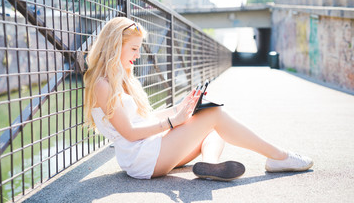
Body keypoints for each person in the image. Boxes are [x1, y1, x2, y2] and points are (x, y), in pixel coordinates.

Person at [83, 17, 313, 181]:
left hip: (149, 151)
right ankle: (279, 156)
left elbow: (143, 118)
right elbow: (130, 132)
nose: (138, 55)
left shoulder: (122, 79)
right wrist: (174, 122)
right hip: (141, 158)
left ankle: (210, 165)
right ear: (115, 47)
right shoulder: (102, 85)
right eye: (134, 48)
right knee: (214, 114)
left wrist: (180, 109)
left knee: (211, 127)